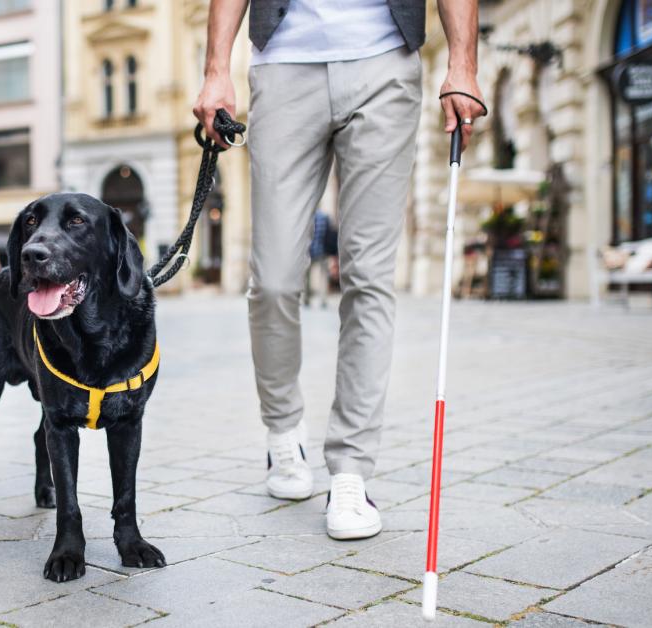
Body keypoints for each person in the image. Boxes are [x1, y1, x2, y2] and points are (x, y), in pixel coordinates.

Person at [194, 0, 485, 540]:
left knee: (369, 277)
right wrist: (217, 71)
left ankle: (351, 470)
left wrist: (463, 64)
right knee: (275, 279)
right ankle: (283, 429)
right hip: (283, 63)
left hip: (385, 62)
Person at [304, 209, 331, 309]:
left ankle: (306, 298)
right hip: (322, 251)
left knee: (307, 276)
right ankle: (323, 299)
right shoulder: (324, 217)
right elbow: (328, 234)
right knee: (323, 276)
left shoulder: (308, 216)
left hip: (309, 251)